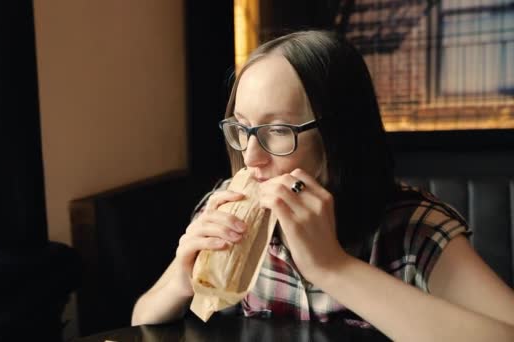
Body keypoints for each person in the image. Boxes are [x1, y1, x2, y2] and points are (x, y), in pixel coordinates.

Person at [131, 30, 514, 340]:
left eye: (278, 130)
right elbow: (141, 320)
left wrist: (332, 267)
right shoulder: (224, 209)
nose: (250, 157)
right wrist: (182, 279)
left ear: (339, 136)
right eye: (242, 128)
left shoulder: (415, 229)